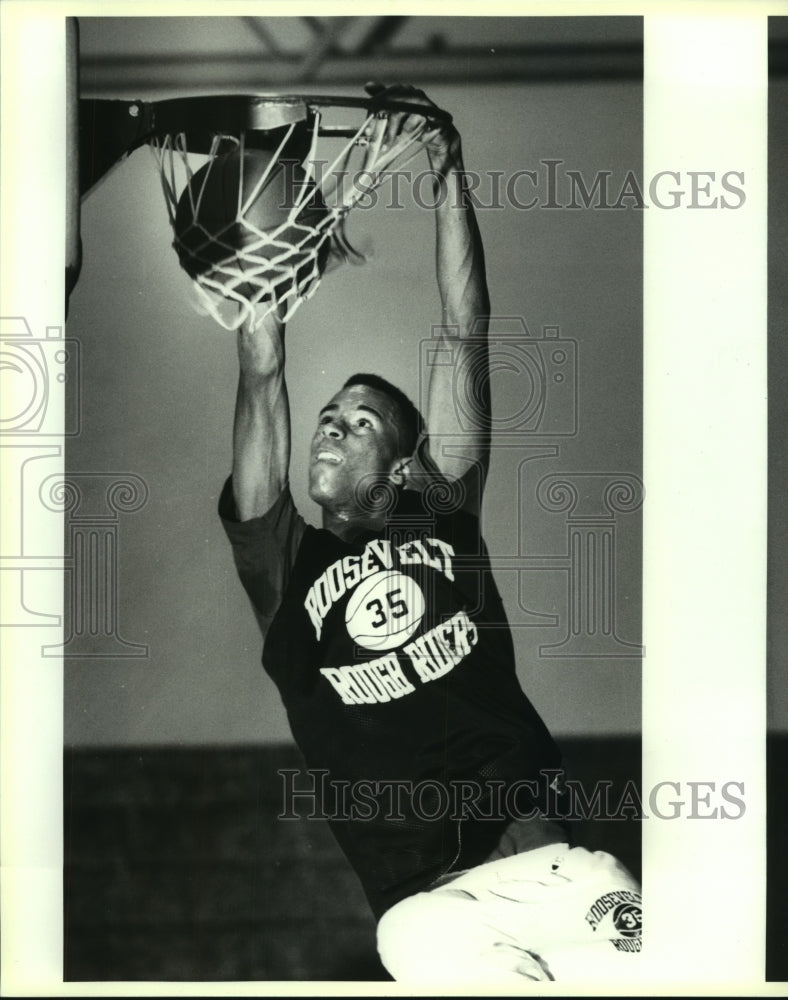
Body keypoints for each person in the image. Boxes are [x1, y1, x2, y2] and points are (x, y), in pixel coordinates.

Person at [219, 83, 642, 983]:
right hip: (428, 909)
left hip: (556, 867)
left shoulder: (439, 517)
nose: (331, 424)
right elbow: (262, 373)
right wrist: (267, 215)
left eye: (362, 421)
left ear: (408, 469)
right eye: (330, 414)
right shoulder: (283, 563)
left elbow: (464, 332)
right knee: (408, 945)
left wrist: (448, 168)